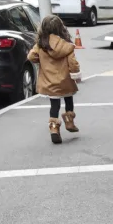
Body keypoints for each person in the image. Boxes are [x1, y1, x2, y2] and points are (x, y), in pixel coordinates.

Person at [28, 14, 81, 144]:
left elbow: (31, 57)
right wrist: (76, 74)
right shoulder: (67, 45)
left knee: (54, 106)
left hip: (50, 82)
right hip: (66, 81)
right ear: (61, 28)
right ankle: (69, 121)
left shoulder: (41, 45)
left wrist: (40, 59)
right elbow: (73, 64)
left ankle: (53, 128)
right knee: (69, 100)